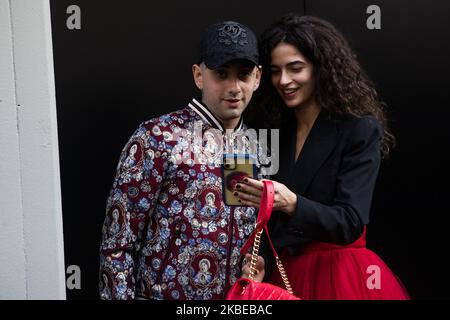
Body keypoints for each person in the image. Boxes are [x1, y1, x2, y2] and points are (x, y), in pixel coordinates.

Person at [236, 14, 410, 299]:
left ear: (321, 69)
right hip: (284, 275)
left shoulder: (359, 129)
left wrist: (291, 203)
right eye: (276, 71)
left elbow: (350, 222)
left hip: (340, 275)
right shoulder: (273, 131)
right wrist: (262, 259)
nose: (284, 80)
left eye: (295, 69)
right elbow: (269, 223)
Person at [99, 20, 262, 300]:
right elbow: (118, 244)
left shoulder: (252, 146)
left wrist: (252, 264)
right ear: (199, 76)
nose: (234, 87)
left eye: (243, 74)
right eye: (221, 74)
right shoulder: (157, 137)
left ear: (257, 78)